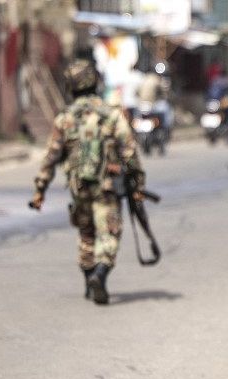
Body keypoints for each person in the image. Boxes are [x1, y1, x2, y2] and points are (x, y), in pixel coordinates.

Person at [29, 59, 147, 305]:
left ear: (71, 86)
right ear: (94, 82)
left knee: (86, 233)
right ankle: (100, 274)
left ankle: (88, 280)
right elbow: (129, 152)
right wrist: (138, 184)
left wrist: (40, 190)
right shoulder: (111, 115)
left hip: (79, 187)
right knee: (109, 233)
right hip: (107, 187)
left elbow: (50, 157)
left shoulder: (65, 119)